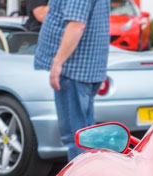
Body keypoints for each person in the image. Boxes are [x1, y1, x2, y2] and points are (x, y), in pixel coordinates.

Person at [34, 0, 110, 161]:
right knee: (85, 134)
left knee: (76, 136)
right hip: (84, 69)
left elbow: (76, 25)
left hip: (74, 69)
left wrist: (58, 62)